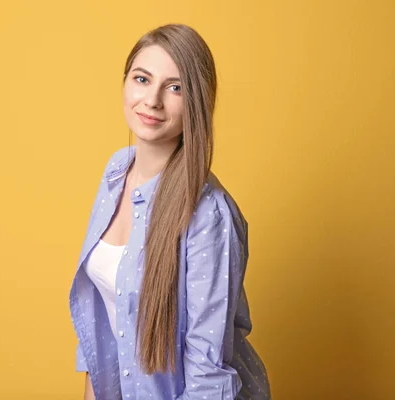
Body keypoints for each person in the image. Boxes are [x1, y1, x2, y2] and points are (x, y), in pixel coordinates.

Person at [68, 23, 271, 399]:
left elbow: (207, 377)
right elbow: (100, 328)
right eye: (142, 79)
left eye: (175, 87)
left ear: (197, 101)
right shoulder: (116, 172)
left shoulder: (207, 215)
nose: (153, 100)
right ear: (125, 82)